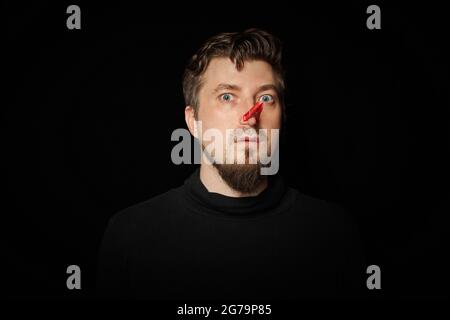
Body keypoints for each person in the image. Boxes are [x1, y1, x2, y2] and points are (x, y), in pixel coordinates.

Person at [96, 28, 365, 299]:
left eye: (265, 98)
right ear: (193, 121)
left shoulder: (332, 233)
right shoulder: (130, 236)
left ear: (281, 117)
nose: (249, 117)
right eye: (227, 97)